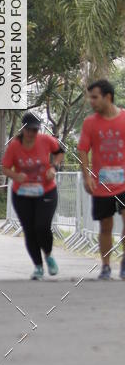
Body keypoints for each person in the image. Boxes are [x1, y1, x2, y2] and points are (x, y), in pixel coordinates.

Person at [2, 112, 64, 279]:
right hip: (22, 194)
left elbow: (60, 152)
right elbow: (5, 167)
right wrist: (16, 176)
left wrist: (54, 167)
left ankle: (49, 255)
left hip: (46, 190)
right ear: (23, 129)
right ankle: (38, 266)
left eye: (35, 130)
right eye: (29, 130)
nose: (32, 134)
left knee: (42, 226)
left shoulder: (45, 140)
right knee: (29, 230)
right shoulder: (14, 146)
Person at [77, 79, 125, 280]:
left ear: (108, 97)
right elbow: (83, 150)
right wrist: (87, 177)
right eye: (90, 97)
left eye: (95, 97)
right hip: (102, 184)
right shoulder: (90, 123)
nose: (91, 101)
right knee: (106, 226)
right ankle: (105, 266)